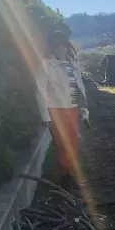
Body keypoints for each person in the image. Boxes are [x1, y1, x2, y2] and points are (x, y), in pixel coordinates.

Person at [35, 31, 90, 184]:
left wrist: (84, 110)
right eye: (57, 45)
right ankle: (64, 176)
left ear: (67, 46)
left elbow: (81, 89)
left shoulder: (74, 65)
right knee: (61, 143)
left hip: (72, 109)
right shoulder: (46, 65)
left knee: (73, 142)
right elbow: (40, 91)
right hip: (56, 110)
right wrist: (45, 115)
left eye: (63, 45)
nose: (61, 48)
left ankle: (69, 173)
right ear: (52, 47)